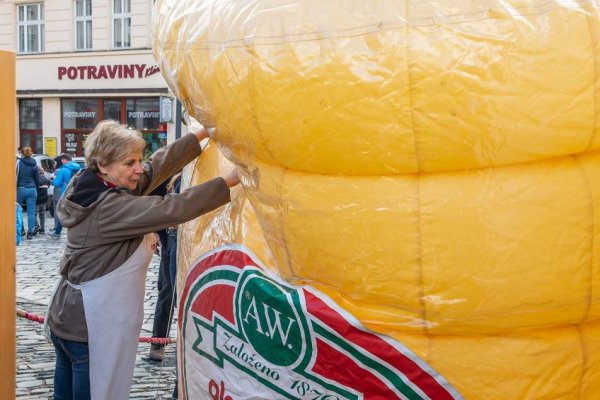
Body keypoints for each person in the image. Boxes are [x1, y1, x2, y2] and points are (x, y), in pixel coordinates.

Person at [45, 120, 239, 400]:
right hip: (88, 331)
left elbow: (153, 169)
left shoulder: (89, 184)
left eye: (138, 159)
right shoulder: (109, 207)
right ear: (103, 165)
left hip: (68, 321)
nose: (138, 167)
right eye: (129, 162)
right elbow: (172, 208)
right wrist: (229, 181)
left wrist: (202, 134)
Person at [49, 153, 81, 238]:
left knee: (61, 212)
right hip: (75, 192)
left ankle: (57, 232)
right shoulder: (78, 168)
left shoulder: (63, 170)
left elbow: (57, 183)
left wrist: (51, 180)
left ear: (63, 160)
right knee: (73, 213)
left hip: (64, 193)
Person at [16, 147, 39, 239]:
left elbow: (15, 175)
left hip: (21, 188)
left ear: (22, 153)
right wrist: (36, 188)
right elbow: (37, 179)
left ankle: (21, 230)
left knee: (18, 210)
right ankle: (30, 232)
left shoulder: (19, 162)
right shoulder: (34, 164)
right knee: (31, 212)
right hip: (32, 188)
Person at [34, 167, 52, 234]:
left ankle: (36, 226)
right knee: (42, 215)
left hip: (36, 200)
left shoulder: (35, 180)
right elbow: (48, 186)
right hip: (44, 200)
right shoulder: (46, 180)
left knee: (34, 215)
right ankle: (42, 229)